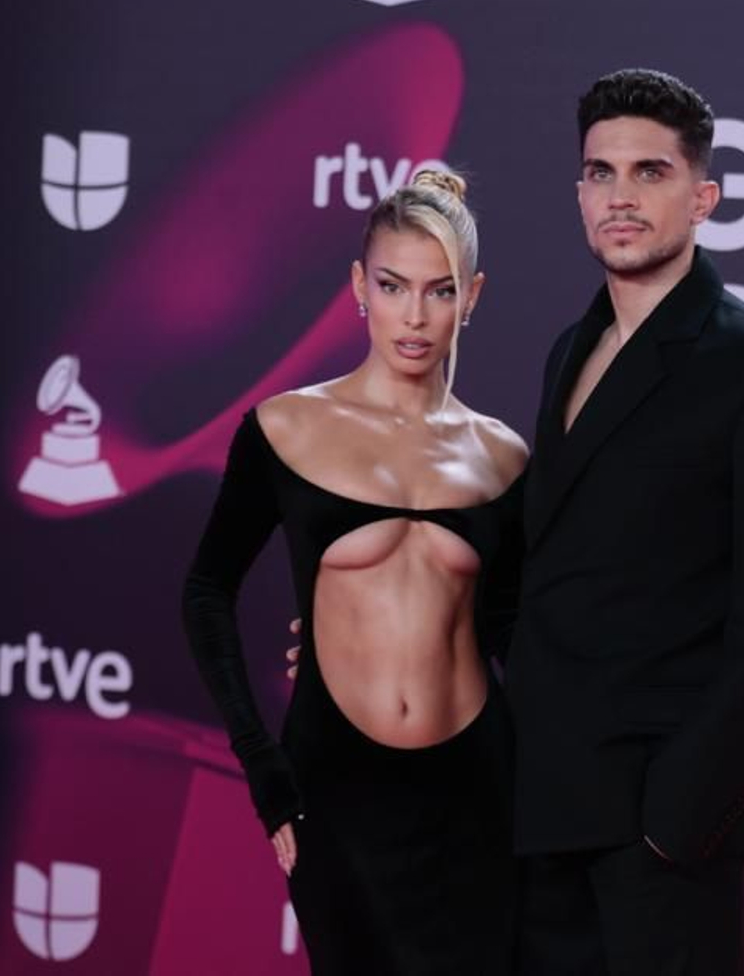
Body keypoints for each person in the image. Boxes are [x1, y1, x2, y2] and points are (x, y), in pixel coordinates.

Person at [507, 69, 744, 974]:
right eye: (600, 172)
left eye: (649, 172)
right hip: (538, 807)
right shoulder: (567, 350)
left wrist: (677, 822)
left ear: (704, 198)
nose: (620, 196)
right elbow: (550, 566)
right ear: (578, 191)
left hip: (657, 832)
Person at [182, 171, 525, 974]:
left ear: (471, 295)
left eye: (439, 291)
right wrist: (262, 764)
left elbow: (514, 628)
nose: (414, 315)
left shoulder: (504, 454)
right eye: (393, 285)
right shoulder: (286, 425)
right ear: (358, 287)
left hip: (477, 787)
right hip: (335, 786)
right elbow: (206, 591)